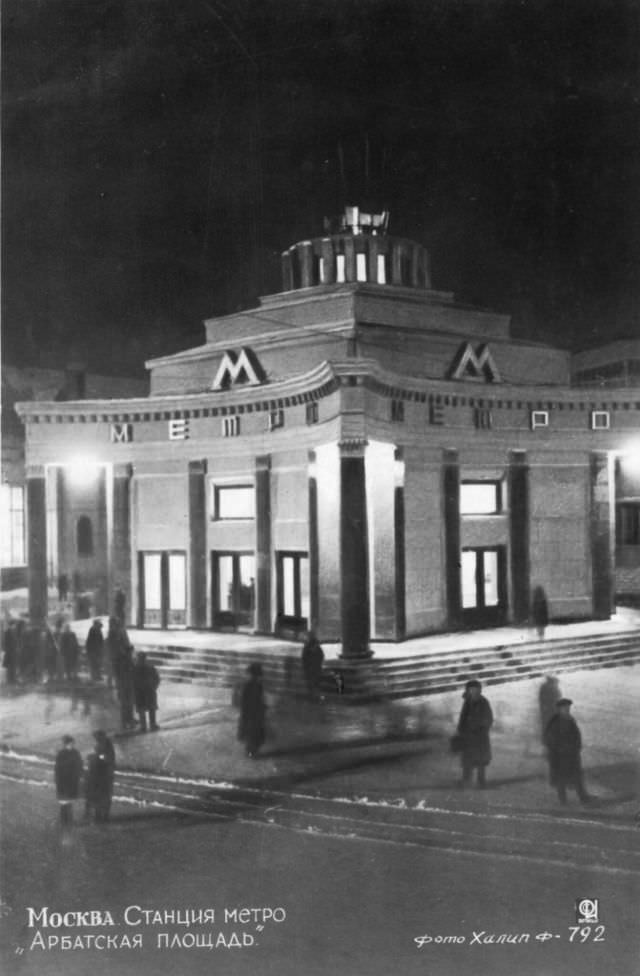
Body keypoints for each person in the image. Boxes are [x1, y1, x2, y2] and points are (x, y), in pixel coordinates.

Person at [544, 698, 590, 805]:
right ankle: (563, 801)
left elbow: (575, 736)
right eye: (565, 708)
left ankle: (583, 797)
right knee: (561, 779)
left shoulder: (569, 719)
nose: (567, 709)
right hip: (560, 756)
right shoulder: (556, 722)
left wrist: (576, 747)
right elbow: (551, 740)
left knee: (576, 777)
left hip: (571, 755)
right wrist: (561, 749)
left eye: (568, 708)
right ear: (559, 709)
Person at [456, 679, 493, 789]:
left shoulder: (483, 701)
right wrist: (461, 728)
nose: (473, 691)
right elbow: (463, 716)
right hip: (467, 735)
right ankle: (466, 780)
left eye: (475, 689)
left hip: (480, 736)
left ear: (479, 690)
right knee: (467, 759)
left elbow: (489, 718)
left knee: (481, 760)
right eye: (471, 689)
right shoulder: (467, 701)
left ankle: (481, 781)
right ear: (468, 690)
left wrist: (482, 727)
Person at [85, 730, 115, 823]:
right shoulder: (105, 745)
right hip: (103, 775)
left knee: (101, 795)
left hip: (103, 775)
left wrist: (96, 757)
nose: (95, 740)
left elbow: (105, 758)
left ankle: (101, 815)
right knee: (102, 796)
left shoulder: (105, 745)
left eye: (96, 738)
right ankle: (102, 815)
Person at [54, 734, 83, 829]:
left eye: (72, 743)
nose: (70, 745)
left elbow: (79, 765)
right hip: (64, 781)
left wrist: (78, 774)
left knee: (69, 801)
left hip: (71, 781)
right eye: (69, 744)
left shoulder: (75, 753)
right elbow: (58, 768)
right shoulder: (62, 754)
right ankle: (64, 820)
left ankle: (68, 820)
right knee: (64, 802)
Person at [238, 662, 267, 758]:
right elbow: (244, 700)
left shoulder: (258, 685)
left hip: (255, 712)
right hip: (250, 712)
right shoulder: (248, 685)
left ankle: (253, 750)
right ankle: (250, 750)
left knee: (255, 733)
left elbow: (260, 698)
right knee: (251, 733)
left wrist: (262, 707)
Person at [132, 651, 160, 731]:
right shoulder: (150, 668)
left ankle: (144, 725)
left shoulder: (135, 669)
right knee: (150, 708)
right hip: (148, 691)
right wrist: (154, 687)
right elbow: (157, 679)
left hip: (142, 691)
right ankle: (152, 724)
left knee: (143, 709)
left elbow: (132, 680)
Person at [301, 629, 325, 701]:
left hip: (313, 668)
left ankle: (314, 696)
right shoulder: (309, 646)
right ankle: (314, 696)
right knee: (314, 683)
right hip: (313, 668)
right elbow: (304, 657)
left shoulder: (309, 646)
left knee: (313, 683)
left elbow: (304, 658)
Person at [2, 619, 18, 685]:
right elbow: (6, 642)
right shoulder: (8, 632)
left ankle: (13, 679)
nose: (15, 626)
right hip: (10, 652)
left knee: (13, 666)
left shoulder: (13, 631)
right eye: (14, 625)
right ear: (12, 625)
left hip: (12, 652)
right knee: (10, 666)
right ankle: (10, 679)